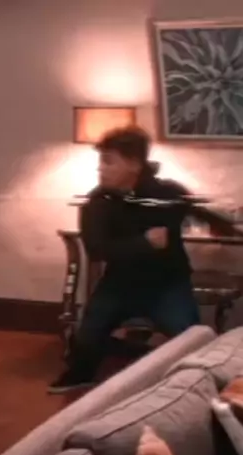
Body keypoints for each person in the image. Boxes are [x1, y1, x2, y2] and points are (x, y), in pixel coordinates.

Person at [49, 127, 201, 394]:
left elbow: (201, 214)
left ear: (134, 163)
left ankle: (194, 386)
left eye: (109, 161)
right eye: (101, 161)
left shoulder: (167, 193)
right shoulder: (98, 202)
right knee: (87, 337)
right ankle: (82, 375)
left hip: (167, 284)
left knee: (191, 340)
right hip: (119, 284)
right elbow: (97, 250)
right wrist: (144, 243)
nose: (100, 169)